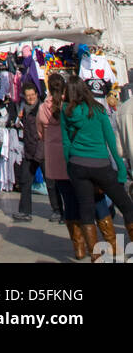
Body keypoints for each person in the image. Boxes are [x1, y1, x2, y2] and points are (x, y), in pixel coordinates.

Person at [61, 76, 133, 259]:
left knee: (86, 209)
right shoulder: (99, 110)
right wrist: (122, 170)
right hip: (101, 165)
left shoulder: (65, 111)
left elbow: (66, 143)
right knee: (125, 205)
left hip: (77, 165)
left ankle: (96, 256)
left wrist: (70, 168)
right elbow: (110, 140)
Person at [38, 72, 87, 259]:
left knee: (68, 200)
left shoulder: (44, 108)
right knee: (82, 198)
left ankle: (78, 246)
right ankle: (89, 241)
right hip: (73, 156)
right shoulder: (69, 106)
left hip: (55, 159)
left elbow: (40, 133)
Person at [12, 82, 44, 221]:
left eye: (32, 95)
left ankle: (58, 211)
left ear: (37, 95)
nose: (31, 98)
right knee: (25, 181)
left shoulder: (42, 109)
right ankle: (25, 211)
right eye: (28, 96)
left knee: (51, 182)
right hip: (29, 150)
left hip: (42, 150)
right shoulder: (23, 108)